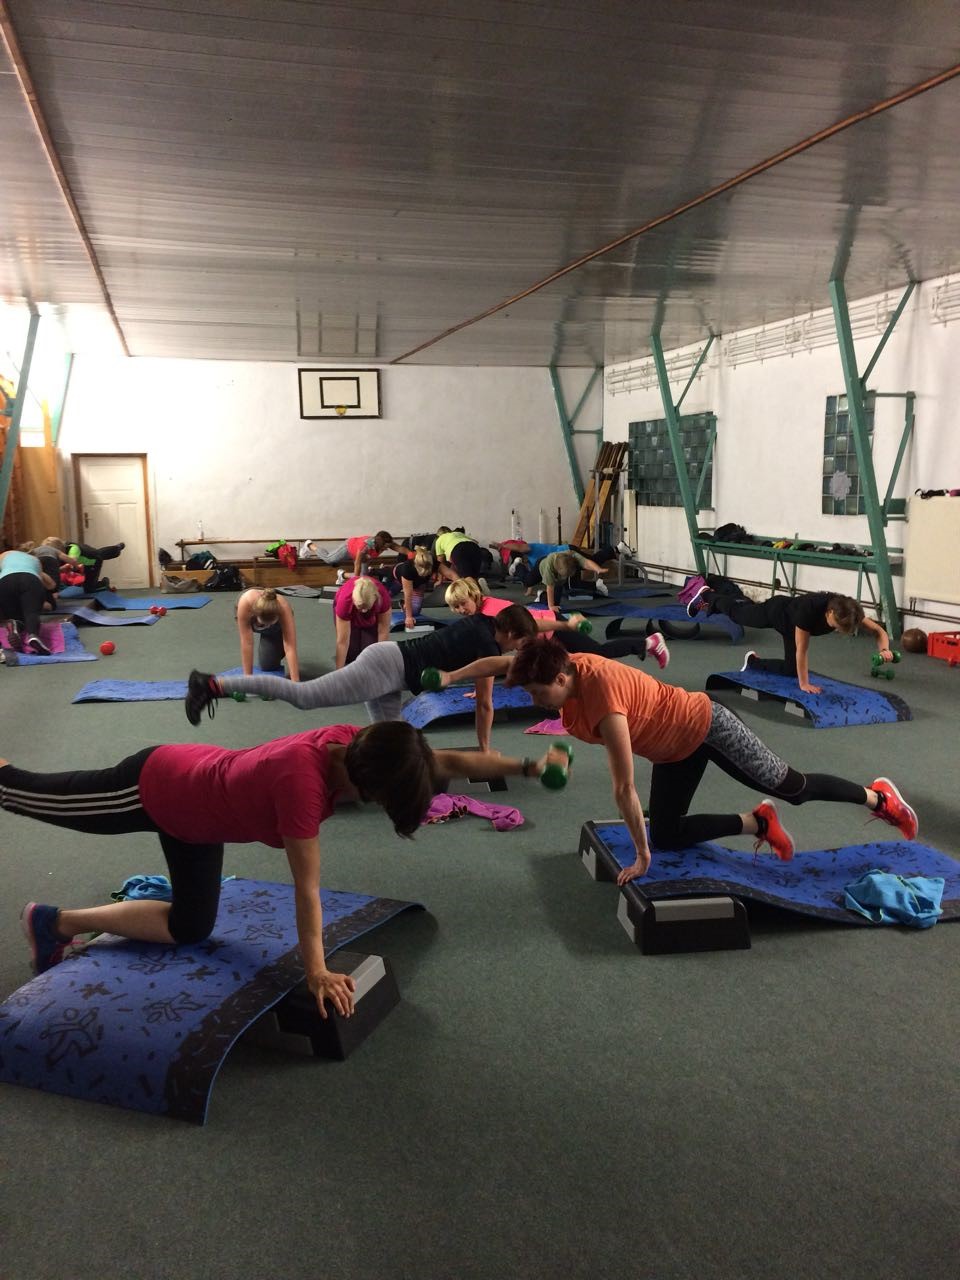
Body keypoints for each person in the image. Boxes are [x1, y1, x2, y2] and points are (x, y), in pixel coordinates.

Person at [1, 723, 569, 1014]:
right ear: (364, 788)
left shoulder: (362, 746)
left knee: (190, 926)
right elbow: (308, 891)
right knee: (31, 794)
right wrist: (318, 972)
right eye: (380, 801)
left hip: (201, 819)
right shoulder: (301, 787)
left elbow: (440, 758)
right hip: (156, 788)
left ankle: (56, 922)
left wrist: (527, 764)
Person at [504, 638, 918, 885]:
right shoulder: (562, 669)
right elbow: (502, 664)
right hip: (672, 749)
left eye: (538, 693)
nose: (535, 702)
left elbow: (624, 787)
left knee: (793, 788)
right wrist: (452, 677)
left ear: (561, 679)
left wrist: (641, 857)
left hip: (706, 726)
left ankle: (879, 798)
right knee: (665, 834)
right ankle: (758, 822)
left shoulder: (603, 697)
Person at [185, 608, 591, 750]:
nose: (518, 649)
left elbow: (533, 623)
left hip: (393, 668)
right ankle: (214, 684)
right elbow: (488, 685)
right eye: (519, 643)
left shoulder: (489, 620)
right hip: (385, 667)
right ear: (511, 636)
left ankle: (379, 782)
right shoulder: (484, 643)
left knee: (393, 735)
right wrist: (485, 749)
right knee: (303, 697)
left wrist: (565, 621)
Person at [683, 578, 892, 693]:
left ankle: (754, 663)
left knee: (792, 671)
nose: (837, 630)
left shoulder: (850, 611)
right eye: (836, 626)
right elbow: (802, 649)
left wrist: (885, 650)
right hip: (777, 613)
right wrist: (804, 684)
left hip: (791, 625)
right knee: (739, 615)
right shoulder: (808, 610)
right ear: (829, 613)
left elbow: (879, 631)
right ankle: (707, 595)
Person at [442, 581, 670, 669]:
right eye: (455, 608)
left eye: (462, 604)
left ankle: (649, 643)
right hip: (539, 638)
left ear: (474, 595)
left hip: (550, 627)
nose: (460, 611)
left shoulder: (492, 611)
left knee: (597, 653)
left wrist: (482, 684)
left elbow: (525, 628)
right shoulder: (481, 612)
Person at [0, 547, 58, 655]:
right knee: (31, 612)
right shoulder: (35, 560)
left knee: (15, 615)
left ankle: (15, 624)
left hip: (5, 581)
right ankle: (33, 635)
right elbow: (51, 584)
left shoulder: (4, 555)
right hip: (30, 579)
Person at [235, 586, 300, 679]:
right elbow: (247, 643)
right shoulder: (245, 603)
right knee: (264, 665)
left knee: (268, 666)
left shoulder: (283, 607)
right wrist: (247, 680)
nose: (268, 626)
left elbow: (290, 646)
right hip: (252, 612)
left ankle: (277, 642)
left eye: (270, 624)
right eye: (264, 624)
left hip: (275, 629)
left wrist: (295, 682)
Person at [334, 575, 392, 667]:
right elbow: (342, 642)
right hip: (349, 610)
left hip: (372, 614)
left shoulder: (382, 596)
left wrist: (381, 664)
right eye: (360, 607)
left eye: (366, 607)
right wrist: (338, 672)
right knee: (351, 655)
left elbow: (383, 631)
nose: (363, 611)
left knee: (370, 654)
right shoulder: (345, 601)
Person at [535, 548, 613, 610]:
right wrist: (551, 606)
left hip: (559, 578)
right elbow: (550, 588)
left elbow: (586, 562)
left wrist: (598, 569)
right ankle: (541, 595)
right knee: (529, 581)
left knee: (560, 599)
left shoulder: (572, 555)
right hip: (540, 566)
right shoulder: (549, 568)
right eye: (565, 575)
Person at [53, 536, 126, 593]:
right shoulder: (60, 554)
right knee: (100, 553)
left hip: (93, 563)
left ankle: (104, 582)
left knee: (89, 589)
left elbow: (72, 563)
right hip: (87, 559)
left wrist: (60, 569)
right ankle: (117, 548)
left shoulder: (72, 548)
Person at [395, 547, 441, 630]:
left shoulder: (433, 562)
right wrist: (408, 617)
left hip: (418, 583)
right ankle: (404, 603)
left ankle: (403, 604)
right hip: (398, 576)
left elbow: (451, 574)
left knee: (415, 612)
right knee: (389, 595)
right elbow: (408, 594)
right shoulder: (408, 568)